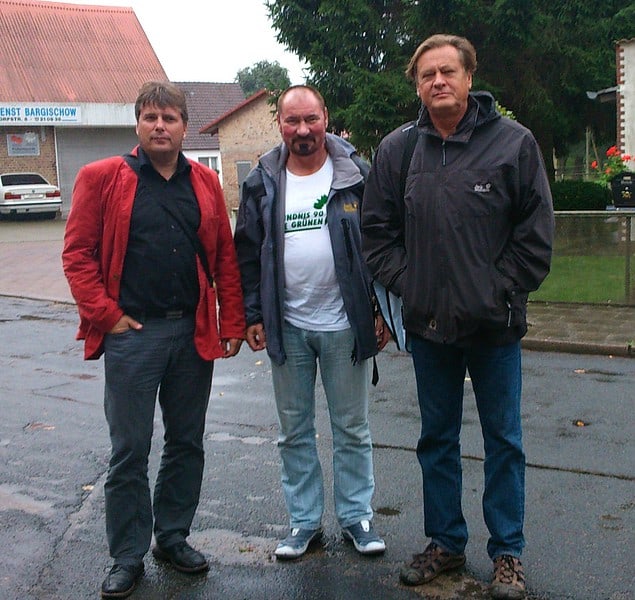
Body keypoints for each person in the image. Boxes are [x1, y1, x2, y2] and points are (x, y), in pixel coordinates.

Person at [361, 35, 554, 600]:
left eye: (448, 71)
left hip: (495, 327)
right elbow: (377, 234)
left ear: (470, 77)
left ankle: (508, 555)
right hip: (430, 328)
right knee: (436, 439)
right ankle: (445, 542)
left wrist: (498, 292)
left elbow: (535, 237)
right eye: (427, 75)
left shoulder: (513, 145)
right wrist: (412, 286)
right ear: (417, 84)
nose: (438, 81)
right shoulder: (399, 151)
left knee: (504, 442)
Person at [62, 81, 245, 599]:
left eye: (169, 118)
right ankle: (126, 555)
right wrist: (107, 315)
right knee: (129, 449)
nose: (159, 126)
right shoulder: (102, 178)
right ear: (137, 125)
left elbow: (224, 260)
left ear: (186, 126)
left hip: (192, 332)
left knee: (186, 442)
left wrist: (231, 321)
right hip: (132, 335)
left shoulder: (205, 183)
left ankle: (171, 536)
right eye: (150, 118)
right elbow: (78, 255)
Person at [234, 85, 390, 560]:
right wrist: (254, 315)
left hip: (346, 323)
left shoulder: (357, 174)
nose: (302, 131)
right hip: (288, 326)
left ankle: (357, 518)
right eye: (291, 121)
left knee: (352, 427)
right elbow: (246, 252)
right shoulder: (262, 180)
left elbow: (381, 245)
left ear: (326, 117)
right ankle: (304, 523)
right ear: (279, 125)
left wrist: (381, 308)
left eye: (311, 120)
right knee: (294, 431)